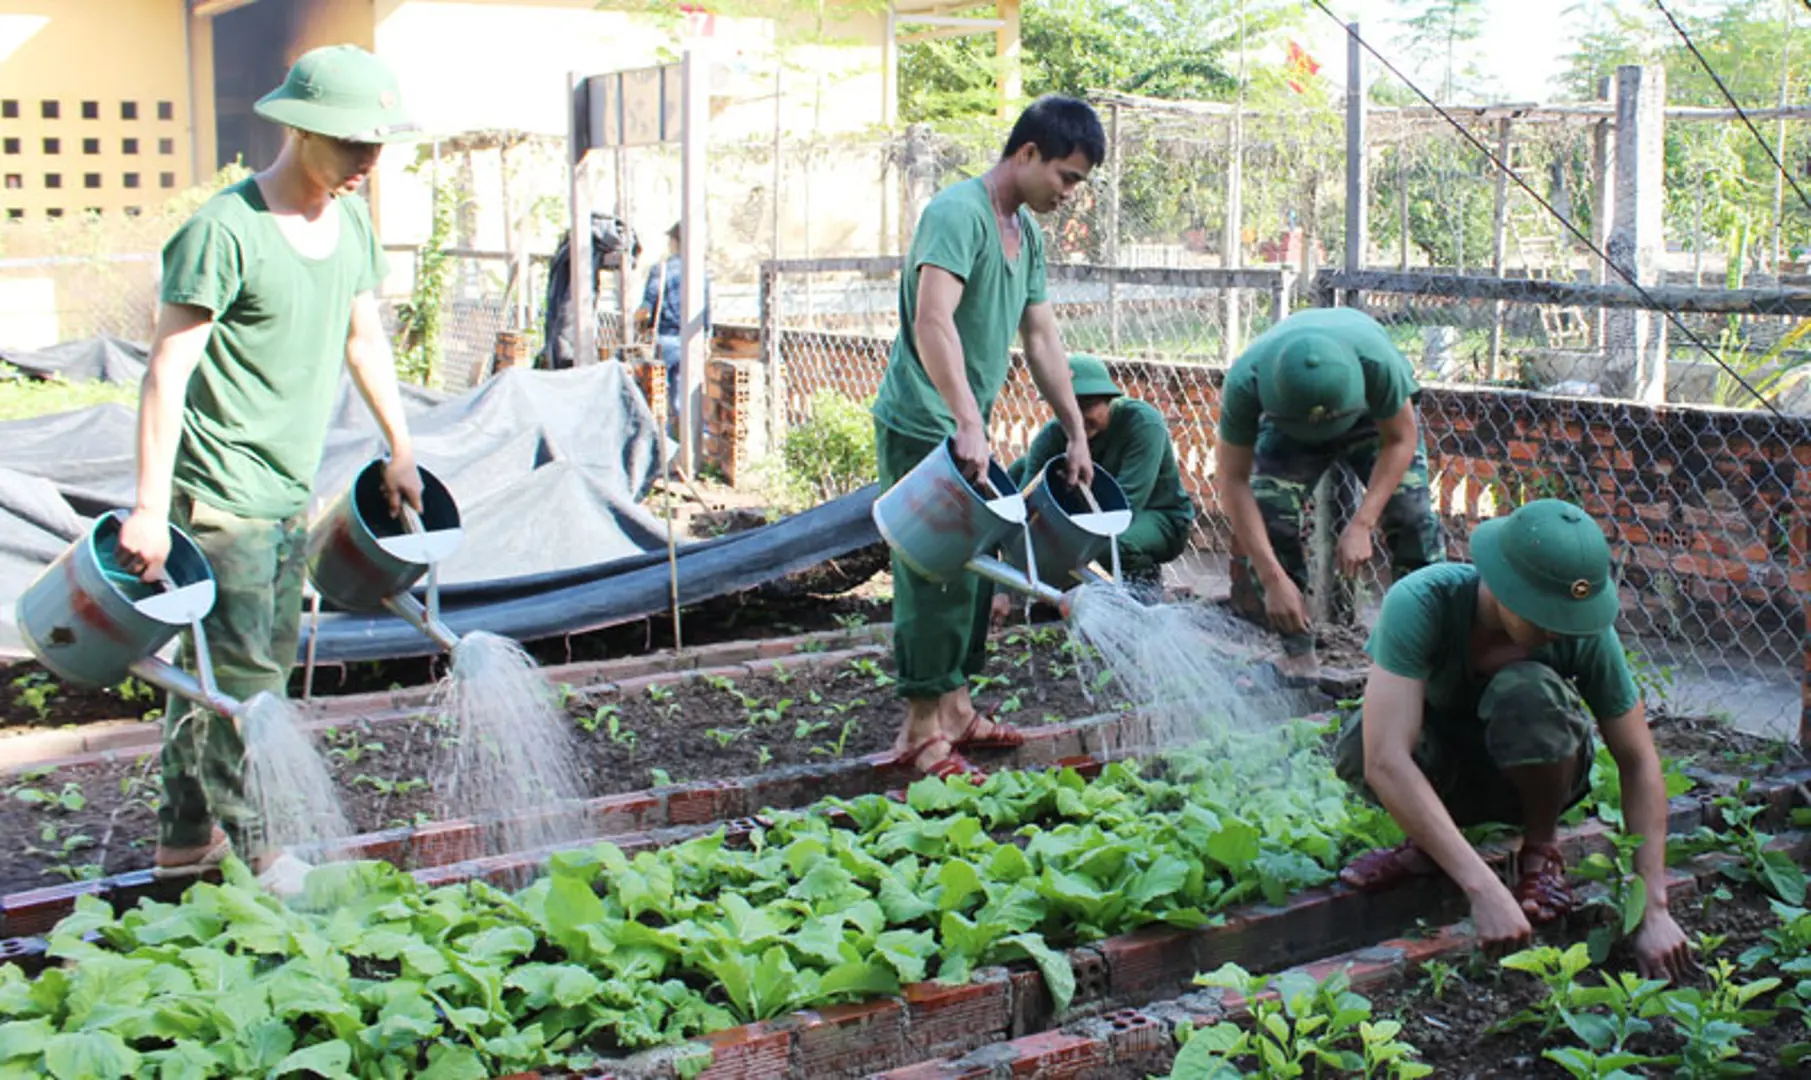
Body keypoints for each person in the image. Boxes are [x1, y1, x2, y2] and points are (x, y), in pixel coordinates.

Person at [114, 44, 425, 896]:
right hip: (221, 495)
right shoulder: (223, 231)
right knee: (249, 680)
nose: (368, 162)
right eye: (352, 144)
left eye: (377, 146)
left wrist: (399, 448)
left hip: (289, 489)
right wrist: (148, 507)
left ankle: (182, 842)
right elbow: (166, 373)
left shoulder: (351, 223)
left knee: (217, 674)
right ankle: (259, 850)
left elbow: (364, 339)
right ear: (297, 128)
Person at [1334, 499, 1691, 982]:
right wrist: (1483, 890)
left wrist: (1653, 908)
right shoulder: (1421, 603)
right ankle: (1427, 847)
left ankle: (1541, 853)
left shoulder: (1581, 629)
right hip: (1448, 769)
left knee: (1528, 692)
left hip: (1537, 774)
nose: (1556, 630)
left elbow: (1639, 762)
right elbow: (1385, 759)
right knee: (1362, 740)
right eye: (1543, 615)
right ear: (1501, 584)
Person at [870, 95, 1104, 780]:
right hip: (923, 419)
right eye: (1065, 177)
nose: (1068, 194)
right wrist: (967, 420)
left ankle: (957, 708)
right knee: (931, 570)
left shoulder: (1022, 233)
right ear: (1026, 153)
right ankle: (920, 730)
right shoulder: (955, 213)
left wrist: (1073, 430)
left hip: (964, 423)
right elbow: (932, 320)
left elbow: (1040, 338)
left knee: (972, 571)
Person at [1217, 307, 1446, 679]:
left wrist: (1363, 523)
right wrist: (1272, 578)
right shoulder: (1248, 380)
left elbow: (1401, 440)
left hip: (1366, 416)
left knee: (1412, 514)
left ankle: (1425, 658)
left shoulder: (1378, 364)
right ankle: (1297, 654)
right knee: (1268, 511)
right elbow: (1233, 481)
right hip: (1288, 417)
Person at [993, 354, 1195, 613]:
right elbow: (1021, 514)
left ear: (1109, 402)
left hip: (1154, 515)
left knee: (1110, 545)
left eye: (1086, 406)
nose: (1077, 417)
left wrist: (1058, 548)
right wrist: (1003, 590)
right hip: (1085, 518)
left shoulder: (1142, 424)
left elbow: (1124, 508)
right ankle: (1062, 593)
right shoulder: (1052, 436)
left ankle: (1144, 589)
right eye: (1068, 407)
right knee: (1020, 470)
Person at [636, 220, 711, 425]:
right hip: (693, 340)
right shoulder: (700, 272)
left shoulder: (661, 270)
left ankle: (667, 444)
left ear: (676, 242)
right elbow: (707, 312)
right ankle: (696, 440)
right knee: (692, 393)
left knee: (660, 397)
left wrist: (635, 322)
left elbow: (647, 306)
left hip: (666, 339)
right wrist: (706, 340)